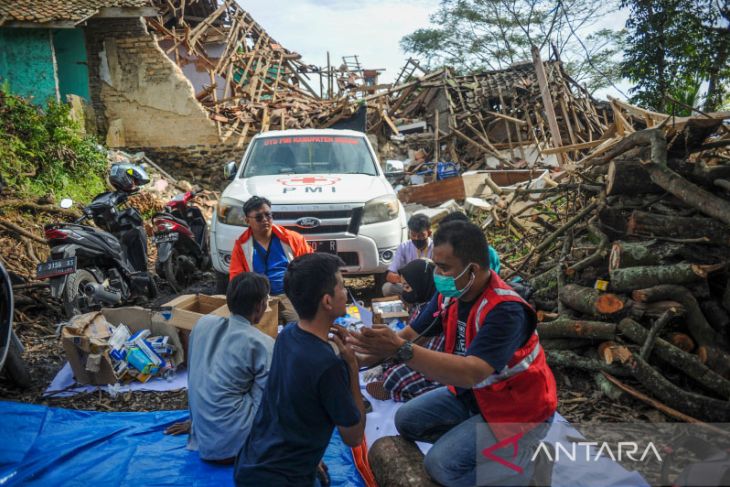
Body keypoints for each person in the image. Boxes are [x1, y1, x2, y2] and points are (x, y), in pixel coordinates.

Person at [350, 220, 557, 486]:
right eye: (436, 264)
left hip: (519, 410)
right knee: (407, 421)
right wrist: (360, 355)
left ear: (472, 270)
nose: (436, 273)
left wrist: (401, 350)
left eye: (443, 267)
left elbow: (471, 372)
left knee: (442, 467)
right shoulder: (450, 294)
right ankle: (499, 454)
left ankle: (526, 468)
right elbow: (409, 335)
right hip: (478, 397)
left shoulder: (505, 310)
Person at [234, 253, 366, 486]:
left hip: (250, 465)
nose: (346, 293)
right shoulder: (329, 365)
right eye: (343, 287)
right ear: (327, 301)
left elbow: (288, 407)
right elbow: (353, 436)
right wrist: (352, 367)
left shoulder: (287, 336)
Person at [165, 272, 274, 463]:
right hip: (237, 445)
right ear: (259, 306)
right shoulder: (261, 343)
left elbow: (199, 378)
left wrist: (199, 420)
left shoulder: (202, 324)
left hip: (203, 438)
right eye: (266, 300)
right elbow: (270, 405)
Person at [366, 258, 443, 402]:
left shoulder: (434, 311)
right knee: (387, 364)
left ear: (422, 284)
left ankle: (395, 391)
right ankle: (394, 388)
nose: (404, 292)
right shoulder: (419, 306)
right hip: (412, 351)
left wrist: (395, 356)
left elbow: (422, 346)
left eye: (407, 287)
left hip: (430, 360)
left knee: (395, 374)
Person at [228, 196, 312, 323]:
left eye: (268, 215)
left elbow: (312, 265)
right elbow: (236, 279)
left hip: (289, 295)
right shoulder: (241, 245)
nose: (265, 220)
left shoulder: (292, 239)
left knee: (301, 326)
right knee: (260, 331)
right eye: (259, 217)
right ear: (247, 221)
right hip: (259, 299)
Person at [382, 214, 432, 297]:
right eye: (413, 235)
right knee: (387, 288)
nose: (416, 238)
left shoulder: (436, 248)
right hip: (409, 286)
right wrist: (407, 280)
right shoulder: (404, 247)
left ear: (429, 233)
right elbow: (390, 276)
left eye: (421, 236)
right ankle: (408, 307)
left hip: (429, 288)